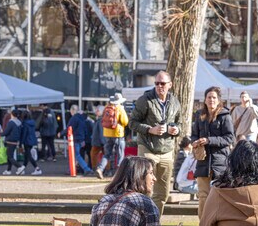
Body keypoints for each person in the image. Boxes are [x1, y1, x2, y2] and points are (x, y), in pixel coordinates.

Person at [128, 71, 181, 215]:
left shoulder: (175, 102)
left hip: (167, 151)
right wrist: (150, 129)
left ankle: (154, 224)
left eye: (162, 83)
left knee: (162, 193)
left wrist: (176, 130)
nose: (159, 86)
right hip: (148, 148)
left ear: (170, 85)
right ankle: (140, 222)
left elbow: (179, 123)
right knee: (144, 189)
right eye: (157, 83)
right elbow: (132, 123)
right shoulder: (145, 100)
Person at [191, 86, 234, 218]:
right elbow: (194, 135)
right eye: (209, 97)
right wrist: (195, 142)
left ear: (219, 100)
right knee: (203, 196)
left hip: (220, 162)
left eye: (214, 97)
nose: (211, 100)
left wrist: (210, 140)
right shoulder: (199, 115)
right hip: (203, 161)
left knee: (220, 195)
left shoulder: (225, 116)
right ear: (204, 100)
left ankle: (220, 225)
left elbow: (230, 138)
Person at [96, 93, 129, 179]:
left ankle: (100, 168)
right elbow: (125, 121)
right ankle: (118, 175)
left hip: (107, 134)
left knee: (107, 154)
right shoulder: (120, 108)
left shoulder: (106, 107)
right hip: (118, 134)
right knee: (120, 154)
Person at [65, 104, 94, 176]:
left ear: (73, 111)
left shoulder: (74, 118)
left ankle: (86, 169)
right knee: (81, 154)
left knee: (77, 155)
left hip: (77, 139)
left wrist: (61, 133)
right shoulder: (84, 118)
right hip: (84, 139)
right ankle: (81, 169)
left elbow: (69, 128)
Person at [1, 109, 24, 175]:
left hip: (9, 141)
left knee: (10, 156)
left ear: (11, 114)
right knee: (9, 156)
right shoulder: (19, 122)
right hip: (15, 141)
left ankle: (19, 167)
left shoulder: (11, 122)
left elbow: (6, 131)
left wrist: (1, 134)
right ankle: (8, 170)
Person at [19, 110, 42, 175]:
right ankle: (22, 168)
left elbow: (24, 134)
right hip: (32, 140)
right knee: (27, 155)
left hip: (26, 141)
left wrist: (21, 143)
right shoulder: (32, 123)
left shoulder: (24, 124)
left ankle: (37, 168)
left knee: (28, 156)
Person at [90, 105, 105, 173]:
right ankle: (106, 169)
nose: (96, 111)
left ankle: (95, 168)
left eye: (97, 110)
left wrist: (103, 142)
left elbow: (101, 132)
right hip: (101, 141)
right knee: (105, 155)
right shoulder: (101, 119)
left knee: (93, 154)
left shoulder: (100, 120)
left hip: (98, 141)